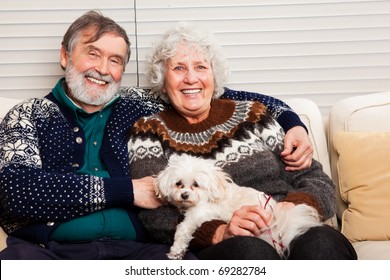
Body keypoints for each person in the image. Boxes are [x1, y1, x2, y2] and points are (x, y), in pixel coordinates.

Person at [0, 10, 311, 260]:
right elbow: (14, 191)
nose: (103, 69)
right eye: (92, 54)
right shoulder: (28, 115)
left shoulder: (137, 104)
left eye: (115, 60)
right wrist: (126, 191)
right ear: (66, 56)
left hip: (140, 250)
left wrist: (292, 120)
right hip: (48, 251)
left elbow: (212, 91)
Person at [128, 23, 357, 260]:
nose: (191, 78)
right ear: (162, 78)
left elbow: (316, 180)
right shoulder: (148, 130)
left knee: (321, 243)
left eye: (201, 67)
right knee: (249, 251)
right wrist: (218, 232)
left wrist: (291, 208)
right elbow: (152, 214)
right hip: (224, 240)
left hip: (286, 221)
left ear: (214, 76)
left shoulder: (253, 115)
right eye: (178, 68)